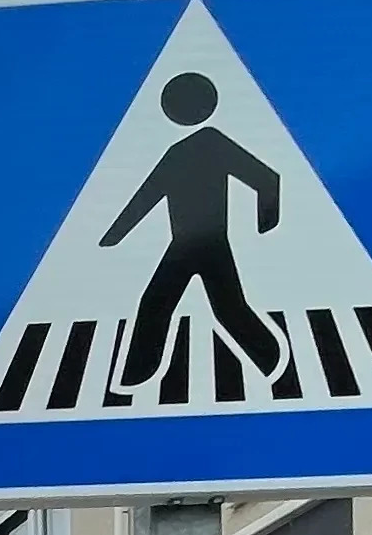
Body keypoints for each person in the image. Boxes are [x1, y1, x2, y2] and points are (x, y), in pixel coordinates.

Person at [102, 70, 285, 395]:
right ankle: (137, 376)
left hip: (208, 242)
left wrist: (266, 222)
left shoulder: (213, 143)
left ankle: (272, 363)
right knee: (183, 305)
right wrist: (114, 236)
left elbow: (266, 178)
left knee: (211, 307)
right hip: (185, 245)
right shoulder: (177, 152)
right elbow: (147, 197)